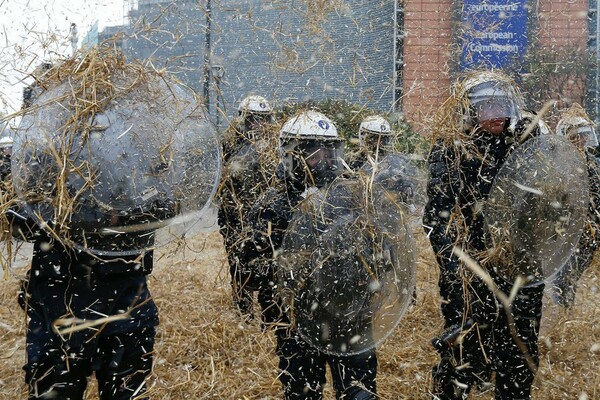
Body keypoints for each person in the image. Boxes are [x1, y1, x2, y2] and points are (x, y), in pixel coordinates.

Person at [7, 66, 159, 400]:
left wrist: (127, 213)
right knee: (56, 392)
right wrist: (75, 216)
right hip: (61, 300)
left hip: (121, 297)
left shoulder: (131, 154)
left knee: (126, 390)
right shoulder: (42, 159)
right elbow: (18, 219)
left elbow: (163, 208)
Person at [423, 70, 545, 399]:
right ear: (469, 112)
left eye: (501, 107)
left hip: (521, 271)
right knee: (462, 356)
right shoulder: (451, 149)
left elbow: (549, 203)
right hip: (470, 273)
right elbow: (437, 217)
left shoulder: (525, 145)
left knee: (518, 357)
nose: (495, 116)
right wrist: (455, 267)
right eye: (486, 108)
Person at [244, 110, 377, 399]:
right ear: (292, 155)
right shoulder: (273, 205)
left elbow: (379, 251)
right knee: (302, 393)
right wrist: (300, 266)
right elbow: (253, 269)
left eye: (330, 152)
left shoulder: (353, 196)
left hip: (349, 317)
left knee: (359, 392)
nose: (326, 162)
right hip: (299, 324)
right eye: (316, 154)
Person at [216, 94, 277, 319]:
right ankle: (244, 310)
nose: (259, 125)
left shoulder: (274, 144)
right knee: (238, 263)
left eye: (263, 119)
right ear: (243, 119)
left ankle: (269, 310)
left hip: (264, 217)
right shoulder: (229, 143)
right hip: (234, 215)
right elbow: (221, 180)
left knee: (265, 264)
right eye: (254, 119)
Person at [550, 103, 600, 306]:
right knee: (563, 280)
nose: (580, 140)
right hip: (566, 234)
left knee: (580, 275)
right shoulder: (557, 166)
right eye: (574, 136)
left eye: (583, 135)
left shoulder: (593, 165)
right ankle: (563, 313)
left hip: (589, 233)